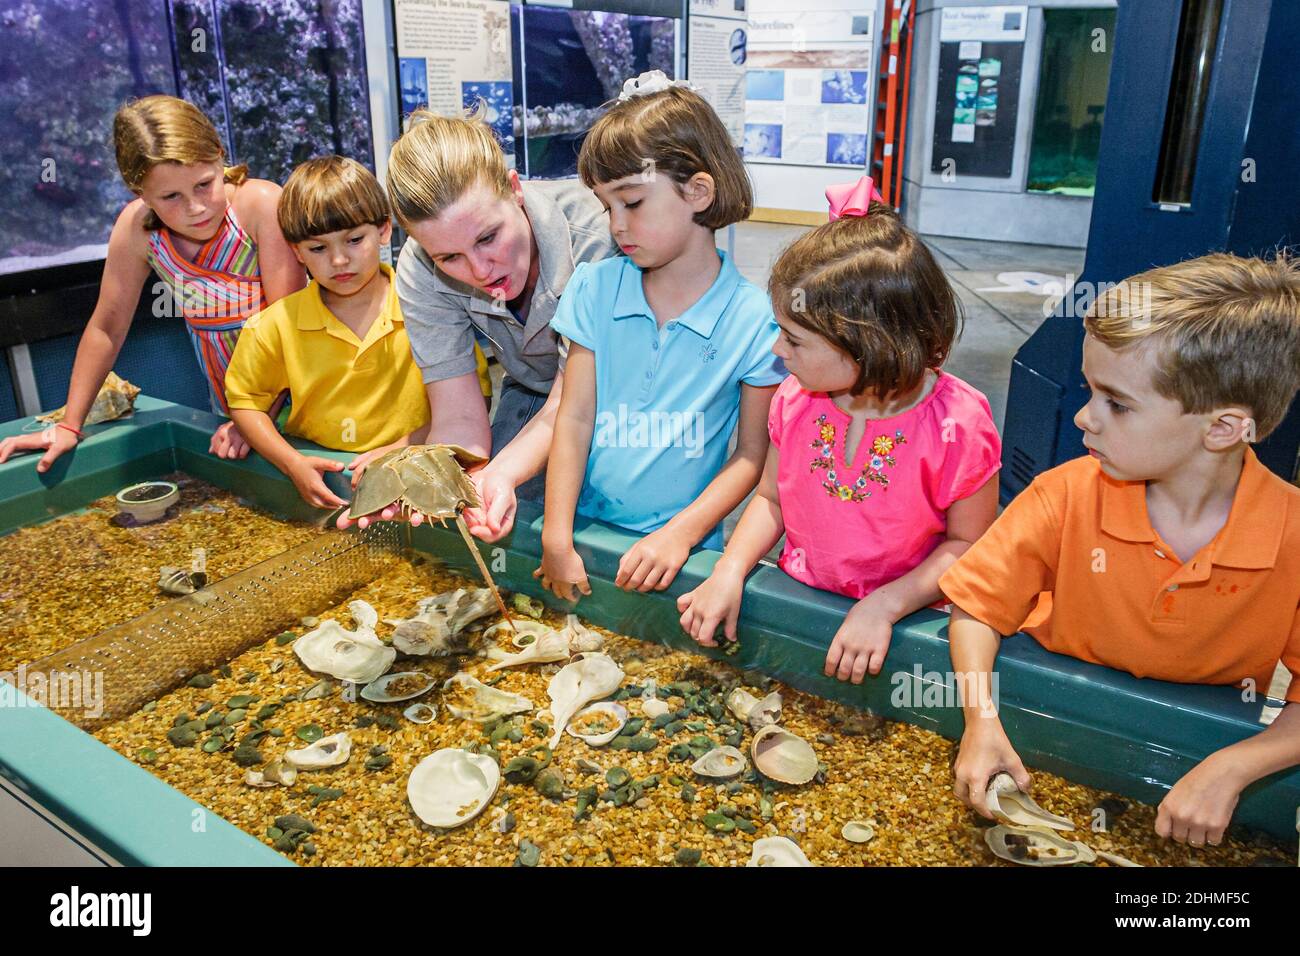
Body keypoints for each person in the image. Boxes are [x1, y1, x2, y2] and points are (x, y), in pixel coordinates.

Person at [940, 253, 1300, 847]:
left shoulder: (1289, 534)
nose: (1084, 416)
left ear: (1222, 427)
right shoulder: (1065, 495)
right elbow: (978, 608)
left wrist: (1236, 766)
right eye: (1090, 391)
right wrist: (981, 718)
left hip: (1200, 739)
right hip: (1046, 713)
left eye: (1117, 402)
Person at [677, 177, 1001, 684]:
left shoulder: (958, 424)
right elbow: (771, 499)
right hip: (799, 602)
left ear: (868, 345)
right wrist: (730, 569)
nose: (777, 352)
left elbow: (968, 545)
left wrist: (886, 605)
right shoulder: (795, 400)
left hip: (905, 626)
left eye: (794, 339)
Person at [536, 72, 786, 602]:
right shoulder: (593, 289)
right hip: (584, 531)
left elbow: (751, 455)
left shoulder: (755, 321)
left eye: (633, 203)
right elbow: (574, 416)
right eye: (607, 207)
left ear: (698, 191)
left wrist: (682, 533)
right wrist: (557, 536)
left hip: (685, 554)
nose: (616, 226)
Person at [339, 103, 619, 534]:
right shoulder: (420, 266)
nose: (481, 270)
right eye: (449, 257)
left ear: (514, 189)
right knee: (501, 511)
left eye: (488, 237)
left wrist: (502, 470)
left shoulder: (598, 238)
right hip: (530, 387)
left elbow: (573, 402)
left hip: (624, 394)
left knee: (606, 520)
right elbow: (458, 416)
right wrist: (438, 479)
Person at [0, 95, 304, 470]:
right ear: (138, 192)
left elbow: (288, 328)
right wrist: (69, 425)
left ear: (219, 156)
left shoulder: (260, 205)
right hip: (231, 410)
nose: (195, 207)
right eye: (171, 196)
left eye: (204, 184)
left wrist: (257, 421)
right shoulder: (137, 230)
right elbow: (106, 328)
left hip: (294, 402)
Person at [223, 156, 430, 509]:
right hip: (318, 476)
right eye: (318, 248)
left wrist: (407, 446)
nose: (338, 260)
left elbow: (467, 400)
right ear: (296, 251)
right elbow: (245, 402)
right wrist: (290, 462)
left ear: (383, 230)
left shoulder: (426, 309)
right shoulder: (275, 325)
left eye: (353, 240)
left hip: (413, 473)